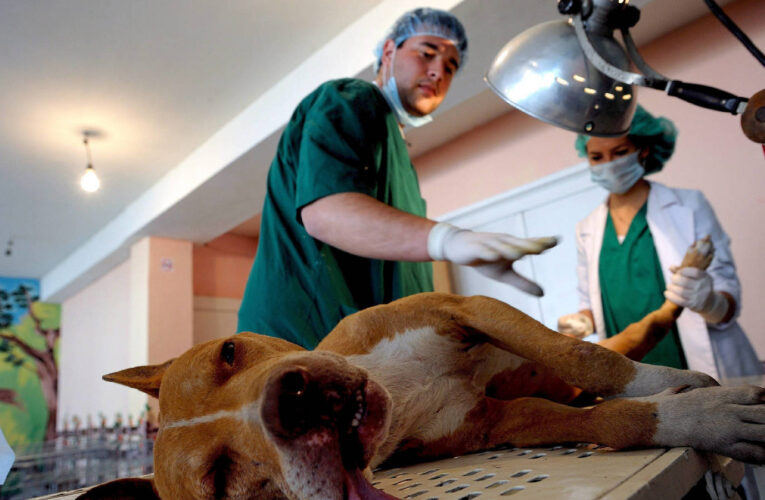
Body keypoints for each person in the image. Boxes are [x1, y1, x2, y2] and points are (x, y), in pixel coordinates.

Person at [238, 8, 557, 349]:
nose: (438, 71)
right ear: (389, 51)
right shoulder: (348, 99)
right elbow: (326, 214)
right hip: (300, 338)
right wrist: (448, 241)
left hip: (358, 347)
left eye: (451, 66)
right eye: (427, 53)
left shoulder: (399, 159)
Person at [558, 105, 762, 382]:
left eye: (619, 153)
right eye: (597, 157)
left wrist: (709, 302)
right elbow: (591, 304)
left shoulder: (689, 205)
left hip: (697, 363)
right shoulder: (586, 230)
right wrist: (582, 322)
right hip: (633, 372)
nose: (609, 164)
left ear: (642, 151)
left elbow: (727, 299)